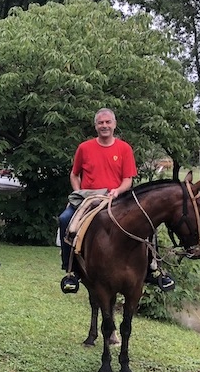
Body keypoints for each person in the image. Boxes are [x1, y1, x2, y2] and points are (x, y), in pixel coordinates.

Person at [58, 108, 175, 294]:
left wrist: (117, 191)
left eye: (107, 122)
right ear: (95, 126)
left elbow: (128, 179)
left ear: (114, 124)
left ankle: (153, 270)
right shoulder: (84, 148)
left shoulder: (124, 149)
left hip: (117, 199)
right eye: (100, 123)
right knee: (65, 220)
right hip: (90, 199)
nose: (104, 126)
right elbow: (74, 174)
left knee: (147, 224)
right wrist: (79, 192)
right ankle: (71, 271)